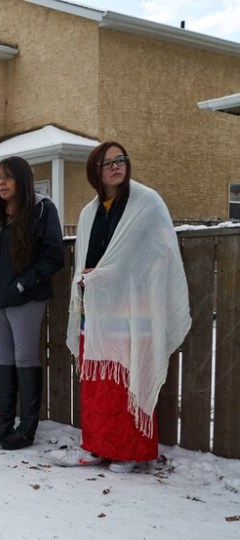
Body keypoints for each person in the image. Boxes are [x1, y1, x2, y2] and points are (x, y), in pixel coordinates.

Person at [55, 141, 190, 472]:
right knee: (97, 384)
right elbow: (86, 258)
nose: (115, 166)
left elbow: (160, 253)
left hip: (134, 307)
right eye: (107, 162)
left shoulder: (147, 202)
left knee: (128, 378)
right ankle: (96, 446)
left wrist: (108, 274)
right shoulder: (89, 212)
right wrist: (89, 278)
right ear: (95, 171)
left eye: (121, 160)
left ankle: (129, 451)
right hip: (98, 310)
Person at [0, 156, 64, 450]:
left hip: (25, 298)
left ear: (22, 180)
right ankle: (4, 425)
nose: (1, 183)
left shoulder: (41, 209)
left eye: (7, 177)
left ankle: (26, 429)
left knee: (24, 358)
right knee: (3, 359)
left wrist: (24, 283)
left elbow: (53, 255)